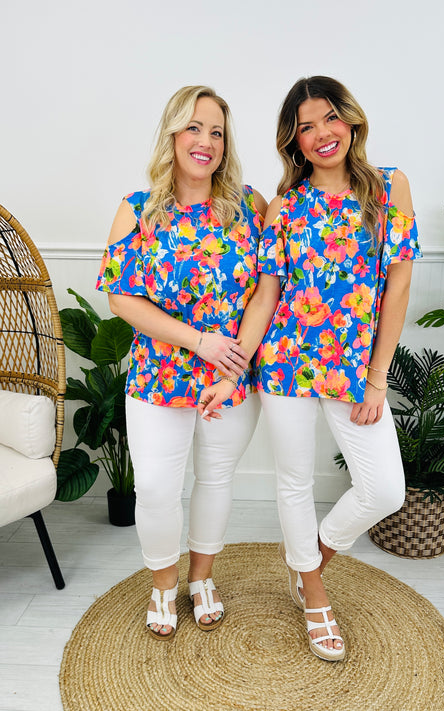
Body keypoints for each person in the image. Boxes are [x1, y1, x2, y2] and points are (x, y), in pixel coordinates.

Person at [198, 76, 421, 661]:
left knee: (384, 489)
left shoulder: (390, 188)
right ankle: (315, 598)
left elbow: (397, 289)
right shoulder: (286, 208)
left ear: (351, 120)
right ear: (293, 141)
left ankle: (312, 556)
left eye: (330, 118)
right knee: (294, 481)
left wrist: (378, 377)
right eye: (306, 126)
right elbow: (267, 296)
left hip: (355, 371)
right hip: (285, 363)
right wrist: (233, 368)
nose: (322, 133)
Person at [96, 85, 266, 640]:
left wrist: (232, 360)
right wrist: (199, 342)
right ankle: (163, 585)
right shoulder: (138, 209)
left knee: (216, 480)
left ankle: (201, 578)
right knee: (156, 489)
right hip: (159, 376)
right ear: (172, 134)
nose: (205, 141)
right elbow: (121, 298)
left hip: (229, 377)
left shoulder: (249, 206)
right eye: (194, 127)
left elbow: (270, 287)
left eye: (216, 132)